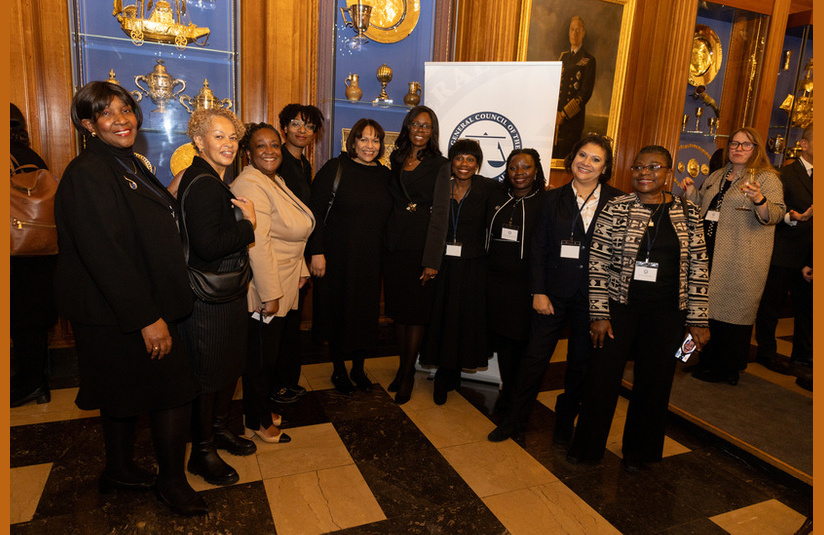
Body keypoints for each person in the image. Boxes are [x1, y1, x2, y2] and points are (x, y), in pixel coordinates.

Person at [54, 81, 206, 515]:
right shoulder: (88, 172)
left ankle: (119, 469)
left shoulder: (125, 162)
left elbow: (143, 213)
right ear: (88, 124)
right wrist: (147, 319)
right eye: (108, 113)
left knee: (120, 394)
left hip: (129, 306)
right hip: (120, 311)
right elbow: (105, 253)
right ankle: (171, 483)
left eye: (126, 110)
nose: (122, 120)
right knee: (173, 393)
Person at [566, 145, 710, 472]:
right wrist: (599, 314)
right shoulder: (616, 207)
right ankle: (587, 448)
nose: (645, 173)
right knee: (601, 379)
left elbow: (699, 266)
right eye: (638, 167)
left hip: (668, 313)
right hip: (620, 310)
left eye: (654, 167)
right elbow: (598, 264)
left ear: (668, 173)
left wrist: (698, 319)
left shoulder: (688, 213)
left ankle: (640, 452)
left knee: (655, 383)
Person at [488, 135, 623, 444]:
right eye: (582, 155)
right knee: (533, 360)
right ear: (571, 158)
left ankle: (565, 420)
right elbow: (538, 249)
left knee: (579, 362)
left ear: (605, 167)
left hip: (591, 299)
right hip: (551, 295)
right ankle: (514, 420)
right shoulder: (551, 199)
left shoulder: (619, 201)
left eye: (595, 159)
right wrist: (538, 291)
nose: (586, 163)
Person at [177, 108, 258, 486]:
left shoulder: (209, 178)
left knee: (227, 367)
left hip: (224, 295)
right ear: (199, 141)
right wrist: (249, 227)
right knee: (208, 377)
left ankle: (221, 430)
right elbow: (208, 247)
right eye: (218, 136)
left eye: (232, 137)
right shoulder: (205, 183)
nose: (228, 144)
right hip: (207, 300)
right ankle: (202, 451)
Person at [231, 122, 315, 442]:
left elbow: (293, 231)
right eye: (261, 146)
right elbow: (259, 243)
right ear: (248, 154)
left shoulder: (273, 180)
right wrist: (270, 293)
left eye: (274, 145)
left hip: (285, 276)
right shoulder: (250, 184)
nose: (269, 151)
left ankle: (259, 407)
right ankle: (257, 420)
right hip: (266, 285)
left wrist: (303, 268)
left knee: (270, 354)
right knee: (261, 360)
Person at [682, 127, 786, 385]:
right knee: (702, 309)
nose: (738, 149)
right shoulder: (717, 175)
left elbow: (775, 215)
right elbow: (705, 209)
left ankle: (726, 368)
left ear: (756, 149)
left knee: (732, 313)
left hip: (741, 257)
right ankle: (697, 358)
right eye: (734, 144)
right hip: (709, 253)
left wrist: (759, 199)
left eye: (745, 145)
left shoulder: (768, 178)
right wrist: (691, 195)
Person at [308, 118, 393, 394]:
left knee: (364, 314)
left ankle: (358, 367)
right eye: (364, 139)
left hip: (371, 259)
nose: (370, 145)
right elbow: (315, 214)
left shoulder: (384, 174)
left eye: (375, 140)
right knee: (338, 311)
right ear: (353, 141)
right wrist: (317, 252)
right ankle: (338, 369)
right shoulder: (336, 168)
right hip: (337, 257)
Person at [419, 139, 502, 405]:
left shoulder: (489, 188)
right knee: (442, 319)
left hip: (473, 266)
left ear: (477, 164)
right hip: (442, 265)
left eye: (470, 159)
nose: (464, 164)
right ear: (450, 162)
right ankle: (444, 373)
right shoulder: (441, 186)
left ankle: (452, 371)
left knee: (464, 320)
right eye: (458, 158)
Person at [383, 105, 450, 405]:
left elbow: (441, 215)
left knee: (416, 313)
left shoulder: (440, 165)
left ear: (432, 132)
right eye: (416, 124)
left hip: (421, 245)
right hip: (395, 244)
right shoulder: (396, 158)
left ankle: (409, 374)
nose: (421, 130)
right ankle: (401, 367)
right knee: (398, 311)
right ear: (408, 127)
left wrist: (432, 260)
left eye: (427, 126)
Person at [484, 148, 548, 416]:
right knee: (500, 342)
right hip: (493, 284)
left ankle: (512, 396)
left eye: (526, 167)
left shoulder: (546, 201)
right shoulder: (496, 196)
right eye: (513, 167)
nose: (519, 173)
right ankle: (507, 391)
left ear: (536, 170)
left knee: (517, 346)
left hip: (524, 288)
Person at [270, 103, 325, 403]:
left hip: (299, 258)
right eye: (295, 124)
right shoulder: (276, 163)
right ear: (283, 127)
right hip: (281, 257)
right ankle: (275, 384)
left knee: (291, 322)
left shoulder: (304, 165)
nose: (302, 131)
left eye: (309, 126)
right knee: (277, 322)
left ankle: (287, 379)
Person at [755, 125, 813, 382]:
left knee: (808, 310)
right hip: (784, 252)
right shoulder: (784, 175)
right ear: (805, 145)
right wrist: (792, 216)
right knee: (772, 305)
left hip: (810, 256)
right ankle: (767, 353)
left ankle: (803, 357)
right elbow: (773, 211)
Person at [10, 103, 58, 408]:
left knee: (23, 324)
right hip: (43, 250)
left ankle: (31, 384)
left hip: (16, 252)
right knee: (34, 325)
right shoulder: (32, 156)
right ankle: (35, 382)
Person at [553, 16, 596, 160]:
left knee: (568, 159)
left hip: (572, 121)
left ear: (583, 33)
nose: (574, 33)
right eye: (572, 29)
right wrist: (555, 113)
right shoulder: (563, 57)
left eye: (578, 30)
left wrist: (563, 114)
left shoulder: (588, 60)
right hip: (555, 118)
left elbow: (585, 93)